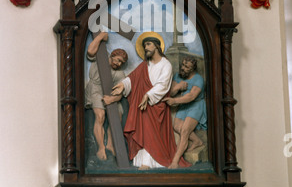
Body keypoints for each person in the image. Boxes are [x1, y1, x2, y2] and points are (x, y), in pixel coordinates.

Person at [110, 32, 190, 170]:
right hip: (142, 105)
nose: (146, 47)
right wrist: (123, 85)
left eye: (148, 44)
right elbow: (133, 78)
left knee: (151, 133)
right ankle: (143, 161)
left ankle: (151, 162)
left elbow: (163, 85)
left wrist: (148, 95)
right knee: (142, 131)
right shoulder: (144, 65)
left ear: (157, 46)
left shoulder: (166, 65)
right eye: (144, 45)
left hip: (156, 105)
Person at [85, 31, 128, 161]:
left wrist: (112, 99)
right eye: (118, 60)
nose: (119, 64)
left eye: (122, 63)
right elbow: (90, 52)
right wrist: (101, 36)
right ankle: (100, 148)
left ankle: (110, 144)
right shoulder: (101, 57)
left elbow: (119, 94)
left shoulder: (119, 73)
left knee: (118, 114)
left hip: (109, 94)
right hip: (95, 89)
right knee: (100, 116)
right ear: (112, 56)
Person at [163, 56, 207, 169]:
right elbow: (171, 93)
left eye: (186, 67)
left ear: (193, 69)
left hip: (195, 106)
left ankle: (175, 161)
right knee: (177, 126)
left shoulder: (198, 79)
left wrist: (175, 101)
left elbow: (191, 96)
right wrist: (178, 87)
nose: (183, 68)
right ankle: (197, 141)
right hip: (184, 106)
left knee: (185, 131)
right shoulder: (178, 76)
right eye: (182, 65)